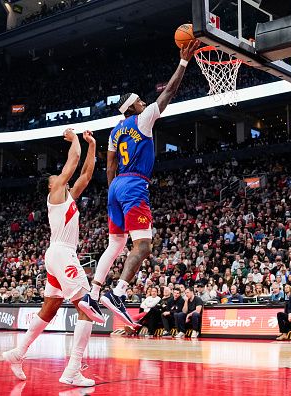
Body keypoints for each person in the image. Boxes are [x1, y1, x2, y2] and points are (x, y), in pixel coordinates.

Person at [78, 39, 201, 326]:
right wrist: (184, 62)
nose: (144, 101)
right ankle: (118, 292)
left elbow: (109, 164)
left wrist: (113, 192)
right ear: (132, 106)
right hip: (133, 184)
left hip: (116, 186)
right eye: (140, 100)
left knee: (116, 243)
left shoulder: (114, 132)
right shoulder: (142, 119)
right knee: (143, 246)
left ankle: (93, 293)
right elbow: (169, 91)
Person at [3, 129, 98, 387]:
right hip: (63, 253)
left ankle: (18, 352)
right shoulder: (55, 192)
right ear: (50, 184)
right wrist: (75, 139)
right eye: (57, 177)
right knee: (87, 307)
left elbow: (86, 175)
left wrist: (92, 144)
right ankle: (73, 369)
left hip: (55, 255)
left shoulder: (67, 197)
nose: (62, 177)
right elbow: (73, 160)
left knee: (50, 307)